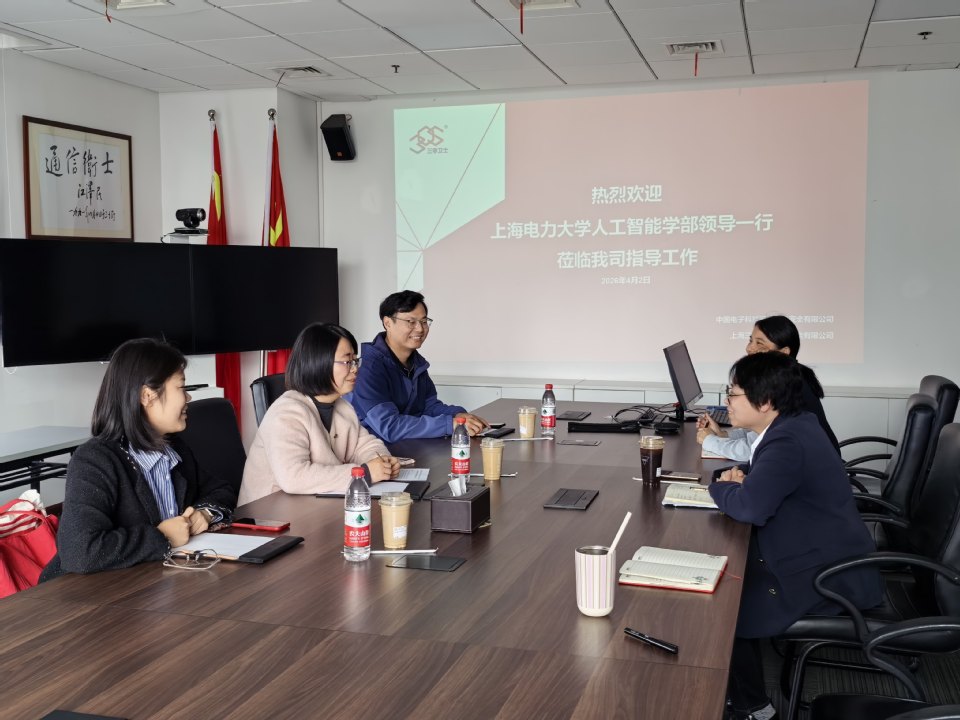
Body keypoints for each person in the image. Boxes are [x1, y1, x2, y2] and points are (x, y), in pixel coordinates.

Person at [708, 352, 881, 720]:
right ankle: (743, 697)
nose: (726, 401)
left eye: (733, 393)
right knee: (728, 581)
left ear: (765, 402)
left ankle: (755, 709)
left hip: (828, 577)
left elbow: (750, 508)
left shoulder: (787, 441)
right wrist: (735, 481)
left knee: (723, 606)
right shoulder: (794, 425)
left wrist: (722, 488)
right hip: (821, 555)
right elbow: (759, 478)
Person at [40, 339, 237, 579]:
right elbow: (79, 551)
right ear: (147, 396)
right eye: (181, 387)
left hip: (151, 582)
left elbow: (221, 490)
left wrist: (204, 513)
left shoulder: (173, 450)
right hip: (85, 594)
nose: (188, 398)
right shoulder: (95, 460)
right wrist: (162, 537)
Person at [239, 323, 400, 505]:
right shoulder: (286, 412)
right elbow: (294, 477)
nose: (355, 369)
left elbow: (365, 445)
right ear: (319, 363)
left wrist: (381, 461)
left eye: (356, 361)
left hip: (312, 506)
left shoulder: (342, 407)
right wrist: (365, 473)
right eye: (347, 362)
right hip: (268, 513)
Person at [346, 290, 488, 442]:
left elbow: (428, 407)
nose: (420, 329)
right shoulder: (368, 368)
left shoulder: (416, 363)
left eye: (424, 321)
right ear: (388, 323)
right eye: (411, 322)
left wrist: (458, 415)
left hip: (405, 445)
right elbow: (389, 426)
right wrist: (449, 424)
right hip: (370, 449)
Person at [697, 315, 840, 461]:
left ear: (783, 353)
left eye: (760, 344)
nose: (749, 348)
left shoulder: (787, 387)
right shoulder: (788, 377)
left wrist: (710, 441)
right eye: (750, 341)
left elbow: (753, 449)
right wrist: (723, 435)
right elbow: (757, 435)